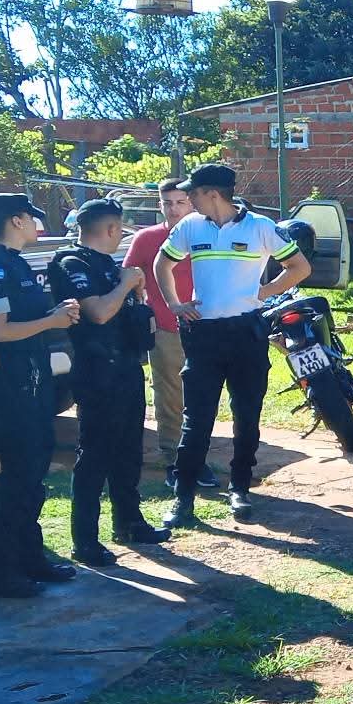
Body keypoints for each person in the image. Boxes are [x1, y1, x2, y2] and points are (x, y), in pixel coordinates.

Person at [154, 163, 310, 528]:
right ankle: (183, 498)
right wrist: (175, 303)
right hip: (203, 335)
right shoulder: (190, 227)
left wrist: (264, 292)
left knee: (246, 415)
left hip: (246, 333)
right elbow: (163, 263)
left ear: (212, 193)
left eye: (192, 193)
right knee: (197, 420)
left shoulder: (261, 227)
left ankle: (240, 488)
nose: (187, 199)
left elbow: (299, 267)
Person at [0, 193, 81, 599]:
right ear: (17, 220)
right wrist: (51, 319)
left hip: (30, 377)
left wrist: (56, 316)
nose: (38, 225)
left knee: (34, 470)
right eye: (33, 218)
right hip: (8, 381)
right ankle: (1, 574)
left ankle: (30, 557)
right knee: (18, 475)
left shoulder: (14, 261)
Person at [48, 199, 171, 565]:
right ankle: (84, 539)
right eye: (121, 228)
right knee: (95, 454)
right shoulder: (72, 263)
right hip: (97, 370)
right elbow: (99, 313)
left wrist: (133, 291)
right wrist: (124, 284)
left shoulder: (108, 264)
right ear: (111, 229)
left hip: (127, 366)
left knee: (128, 450)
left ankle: (129, 521)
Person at [123, 176, 217, 489]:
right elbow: (129, 275)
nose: (174, 209)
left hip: (209, 327)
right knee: (169, 397)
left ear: (192, 202)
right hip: (166, 328)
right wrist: (143, 310)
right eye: (167, 203)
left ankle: (198, 458)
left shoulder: (211, 233)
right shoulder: (147, 239)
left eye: (180, 202)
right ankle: (174, 461)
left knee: (204, 397)